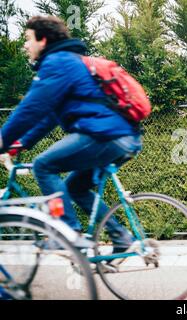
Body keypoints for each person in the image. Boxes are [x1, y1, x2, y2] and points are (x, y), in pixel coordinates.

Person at [0, 16, 140, 253]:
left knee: (44, 165)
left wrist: (2, 139)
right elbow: (48, 117)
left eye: (27, 39)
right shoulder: (68, 62)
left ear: (42, 40)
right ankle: (121, 237)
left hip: (105, 136)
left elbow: (31, 108)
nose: (25, 45)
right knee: (75, 187)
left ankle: (68, 233)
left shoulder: (58, 63)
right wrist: (17, 144)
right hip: (122, 137)